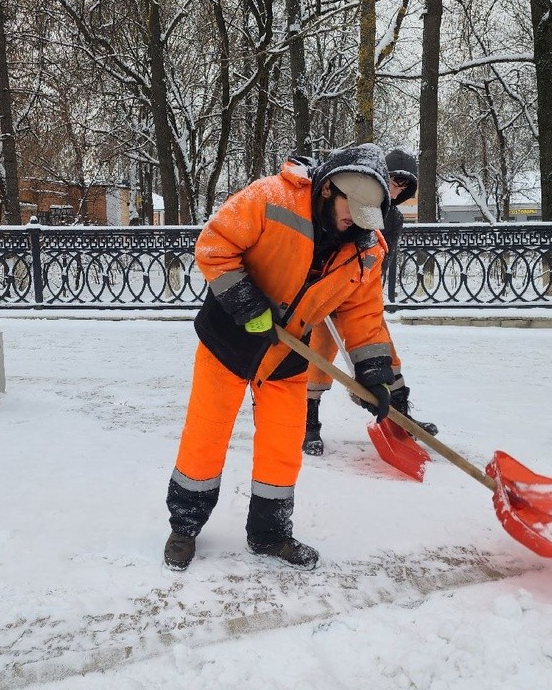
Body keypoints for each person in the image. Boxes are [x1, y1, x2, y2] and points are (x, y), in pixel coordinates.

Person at [164, 144, 397, 572]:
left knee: (283, 446)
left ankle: (270, 534)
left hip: (290, 350)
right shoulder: (270, 198)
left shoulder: (367, 249)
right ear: (330, 190)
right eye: (353, 209)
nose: (355, 221)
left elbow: (363, 317)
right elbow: (214, 244)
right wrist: (247, 303)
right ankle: (184, 526)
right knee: (206, 435)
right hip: (229, 338)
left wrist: (377, 375)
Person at [302, 147, 438, 456]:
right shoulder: (346, 200)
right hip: (325, 294)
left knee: (383, 355)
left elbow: (380, 259)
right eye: (392, 179)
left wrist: (364, 292)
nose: (395, 188)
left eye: (404, 185)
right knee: (317, 360)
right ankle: (309, 424)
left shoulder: (393, 219)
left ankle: (400, 418)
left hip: (361, 293)